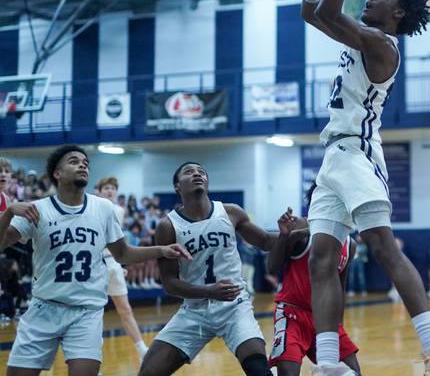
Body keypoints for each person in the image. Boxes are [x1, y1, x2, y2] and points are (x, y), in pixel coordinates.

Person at [300, 0, 430, 375]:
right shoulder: (362, 36)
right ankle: (329, 365)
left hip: (358, 155)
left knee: (383, 248)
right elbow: (310, 13)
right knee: (321, 260)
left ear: (399, 15)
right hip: (333, 157)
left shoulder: (382, 46)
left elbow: (328, 13)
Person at [0, 145, 190, 376]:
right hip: (44, 308)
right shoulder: (37, 210)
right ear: (57, 174)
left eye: (86, 162)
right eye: (73, 161)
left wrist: (161, 249)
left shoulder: (103, 208)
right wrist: (8, 213)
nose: (82, 165)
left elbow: (122, 254)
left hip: (86, 312)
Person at [138, 162, 276, 376]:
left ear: (208, 182)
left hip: (234, 306)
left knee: (259, 370)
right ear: (177, 186)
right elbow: (169, 284)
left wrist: (296, 231)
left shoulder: (230, 212)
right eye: (189, 172)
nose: (196, 174)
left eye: (201, 172)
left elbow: (266, 241)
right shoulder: (168, 226)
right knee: (149, 372)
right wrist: (209, 291)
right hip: (194, 310)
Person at [268, 208, 360, 375]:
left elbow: (340, 287)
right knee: (288, 373)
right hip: (293, 314)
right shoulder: (303, 225)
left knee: (353, 372)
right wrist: (285, 236)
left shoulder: (349, 244)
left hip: (325, 319)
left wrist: (338, 325)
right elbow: (272, 267)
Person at [97, 176, 149, 360]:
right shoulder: (93, 208)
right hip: (96, 263)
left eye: (112, 188)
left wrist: (119, 264)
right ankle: (93, 358)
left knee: (125, 310)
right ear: (99, 191)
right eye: (106, 188)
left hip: (112, 262)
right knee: (94, 313)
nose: (110, 191)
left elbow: (117, 241)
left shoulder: (120, 210)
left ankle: (143, 351)